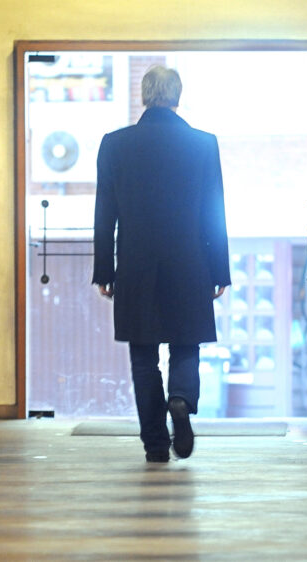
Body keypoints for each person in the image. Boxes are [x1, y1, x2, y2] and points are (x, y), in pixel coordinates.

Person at [92, 65, 231, 463]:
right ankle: (182, 400)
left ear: (143, 96)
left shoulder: (115, 144)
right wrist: (220, 270)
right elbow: (213, 211)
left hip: (136, 262)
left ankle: (155, 444)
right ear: (178, 96)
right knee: (186, 343)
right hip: (191, 261)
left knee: (143, 355)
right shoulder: (203, 143)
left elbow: (105, 213)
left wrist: (105, 269)